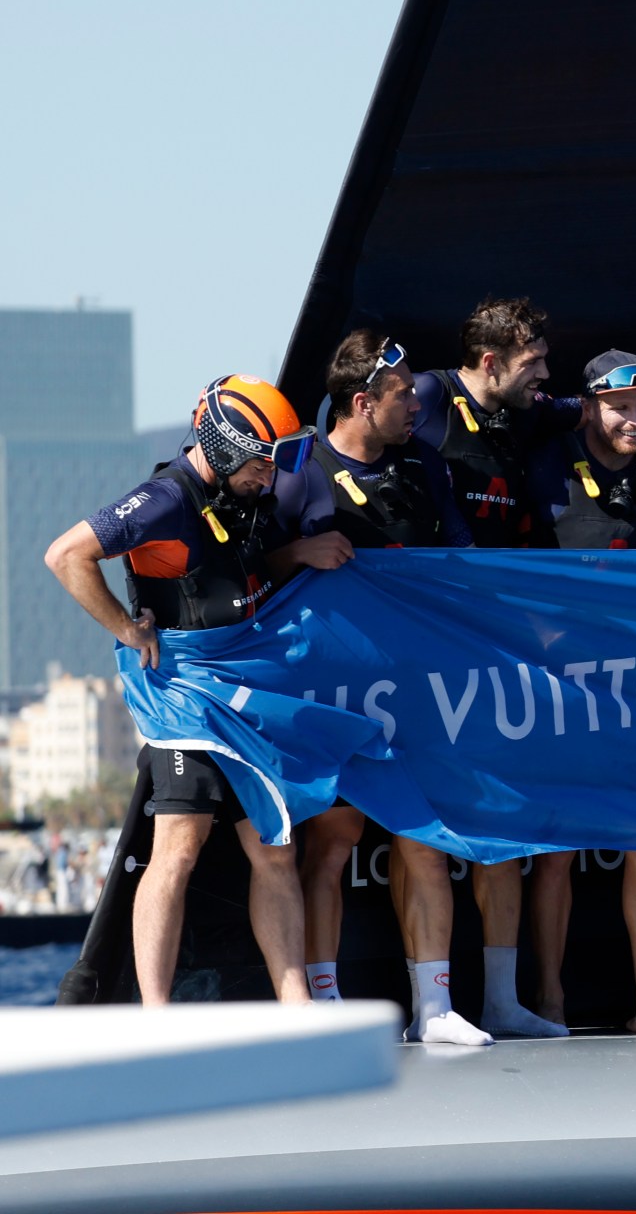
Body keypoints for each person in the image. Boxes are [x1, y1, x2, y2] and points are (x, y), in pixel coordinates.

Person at [43, 376, 330, 1008]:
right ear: (226, 449)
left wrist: (300, 551)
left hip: (243, 693)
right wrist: (125, 626)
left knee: (274, 849)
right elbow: (65, 555)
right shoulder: (164, 500)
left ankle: (296, 1008)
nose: (277, 478)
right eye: (268, 462)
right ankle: (157, 1016)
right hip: (182, 697)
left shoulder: (243, 496)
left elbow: (239, 572)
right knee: (178, 846)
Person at [271, 333, 493, 1044]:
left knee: (424, 840)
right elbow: (245, 563)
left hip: (419, 687)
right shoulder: (299, 468)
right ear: (362, 402)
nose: (417, 406)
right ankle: (326, 1003)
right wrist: (297, 551)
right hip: (332, 694)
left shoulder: (423, 462)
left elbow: (464, 557)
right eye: (403, 397)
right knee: (332, 843)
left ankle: (434, 1008)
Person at [410, 298, 585, 1039]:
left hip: (502, 653)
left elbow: (617, 398)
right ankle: (431, 1007)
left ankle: (504, 1002)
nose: (545, 374)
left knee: (508, 825)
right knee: (422, 832)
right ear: (490, 363)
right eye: (533, 361)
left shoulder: (530, 412)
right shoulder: (421, 399)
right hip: (424, 648)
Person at [525, 351, 636, 1035]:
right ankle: (550, 1000)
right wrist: (547, 641)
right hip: (560, 684)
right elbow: (504, 563)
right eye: (618, 405)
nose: (634, 416)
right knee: (556, 848)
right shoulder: (547, 464)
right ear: (588, 406)